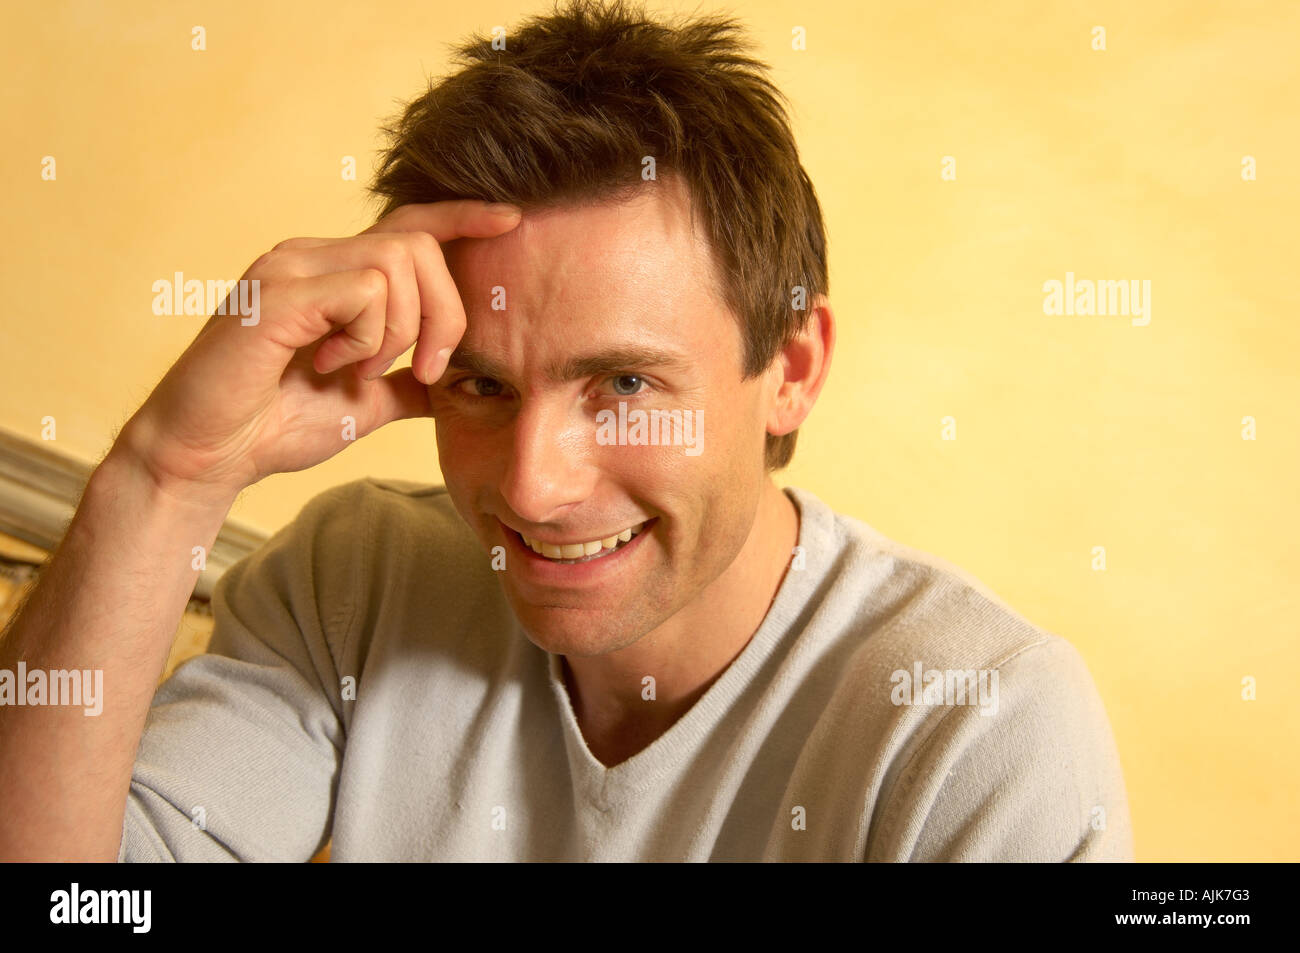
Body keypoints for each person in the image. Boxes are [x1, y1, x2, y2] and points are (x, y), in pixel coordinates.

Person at [0, 0, 1132, 861]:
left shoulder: (976, 719)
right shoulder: (353, 584)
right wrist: (168, 474)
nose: (532, 488)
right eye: (483, 386)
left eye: (626, 382)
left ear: (788, 370)